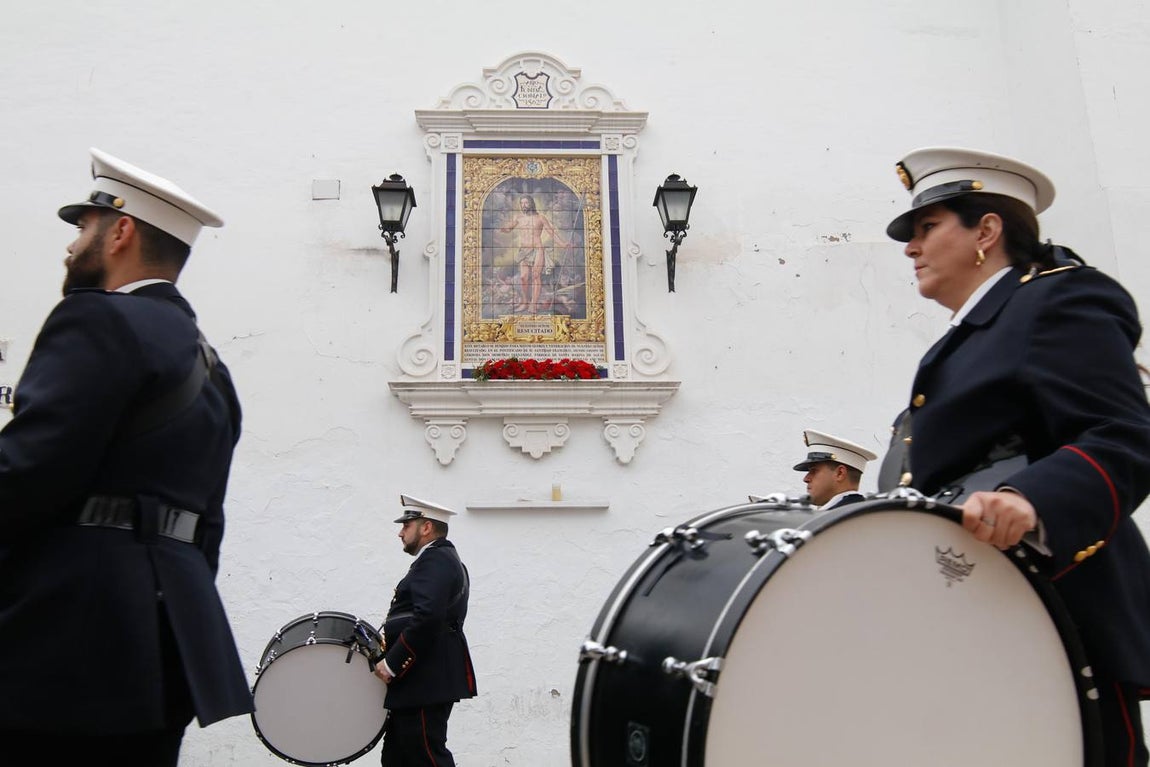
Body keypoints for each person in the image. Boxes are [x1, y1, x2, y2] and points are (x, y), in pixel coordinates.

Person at [880, 146, 1150, 766]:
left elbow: (1123, 434)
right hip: (991, 612)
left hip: (1064, 614)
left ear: (987, 231)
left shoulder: (1059, 299)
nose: (911, 247)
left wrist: (1030, 500)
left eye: (927, 227)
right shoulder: (977, 331)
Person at [0, 148, 251, 764]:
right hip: (167, 647)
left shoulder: (94, 319)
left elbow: (24, 474)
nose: (71, 245)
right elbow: (208, 527)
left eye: (84, 227)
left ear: (120, 233)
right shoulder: (212, 367)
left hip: (63, 642)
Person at [374, 494, 477, 767]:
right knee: (398, 757)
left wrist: (393, 663)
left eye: (406, 525)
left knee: (425, 757)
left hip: (424, 680)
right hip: (420, 681)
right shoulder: (439, 559)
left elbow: (428, 617)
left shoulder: (436, 559)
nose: (400, 532)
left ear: (426, 527)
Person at [500, 194, 568, 314]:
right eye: (522, 203)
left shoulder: (540, 218)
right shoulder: (518, 217)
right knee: (523, 277)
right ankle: (525, 301)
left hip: (537, 250)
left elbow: (551, 233)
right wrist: (504, 229)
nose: (523, 205)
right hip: (524, 251)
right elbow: (509, 228)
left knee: (536, 276)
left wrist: (562, 244)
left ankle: (533, 304)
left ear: (531, 203)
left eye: (526, 203)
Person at [792, 429, 876, 510]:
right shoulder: (862, 513)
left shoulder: (840, 517)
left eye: (814, 471)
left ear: (840, 473)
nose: (806, 479)